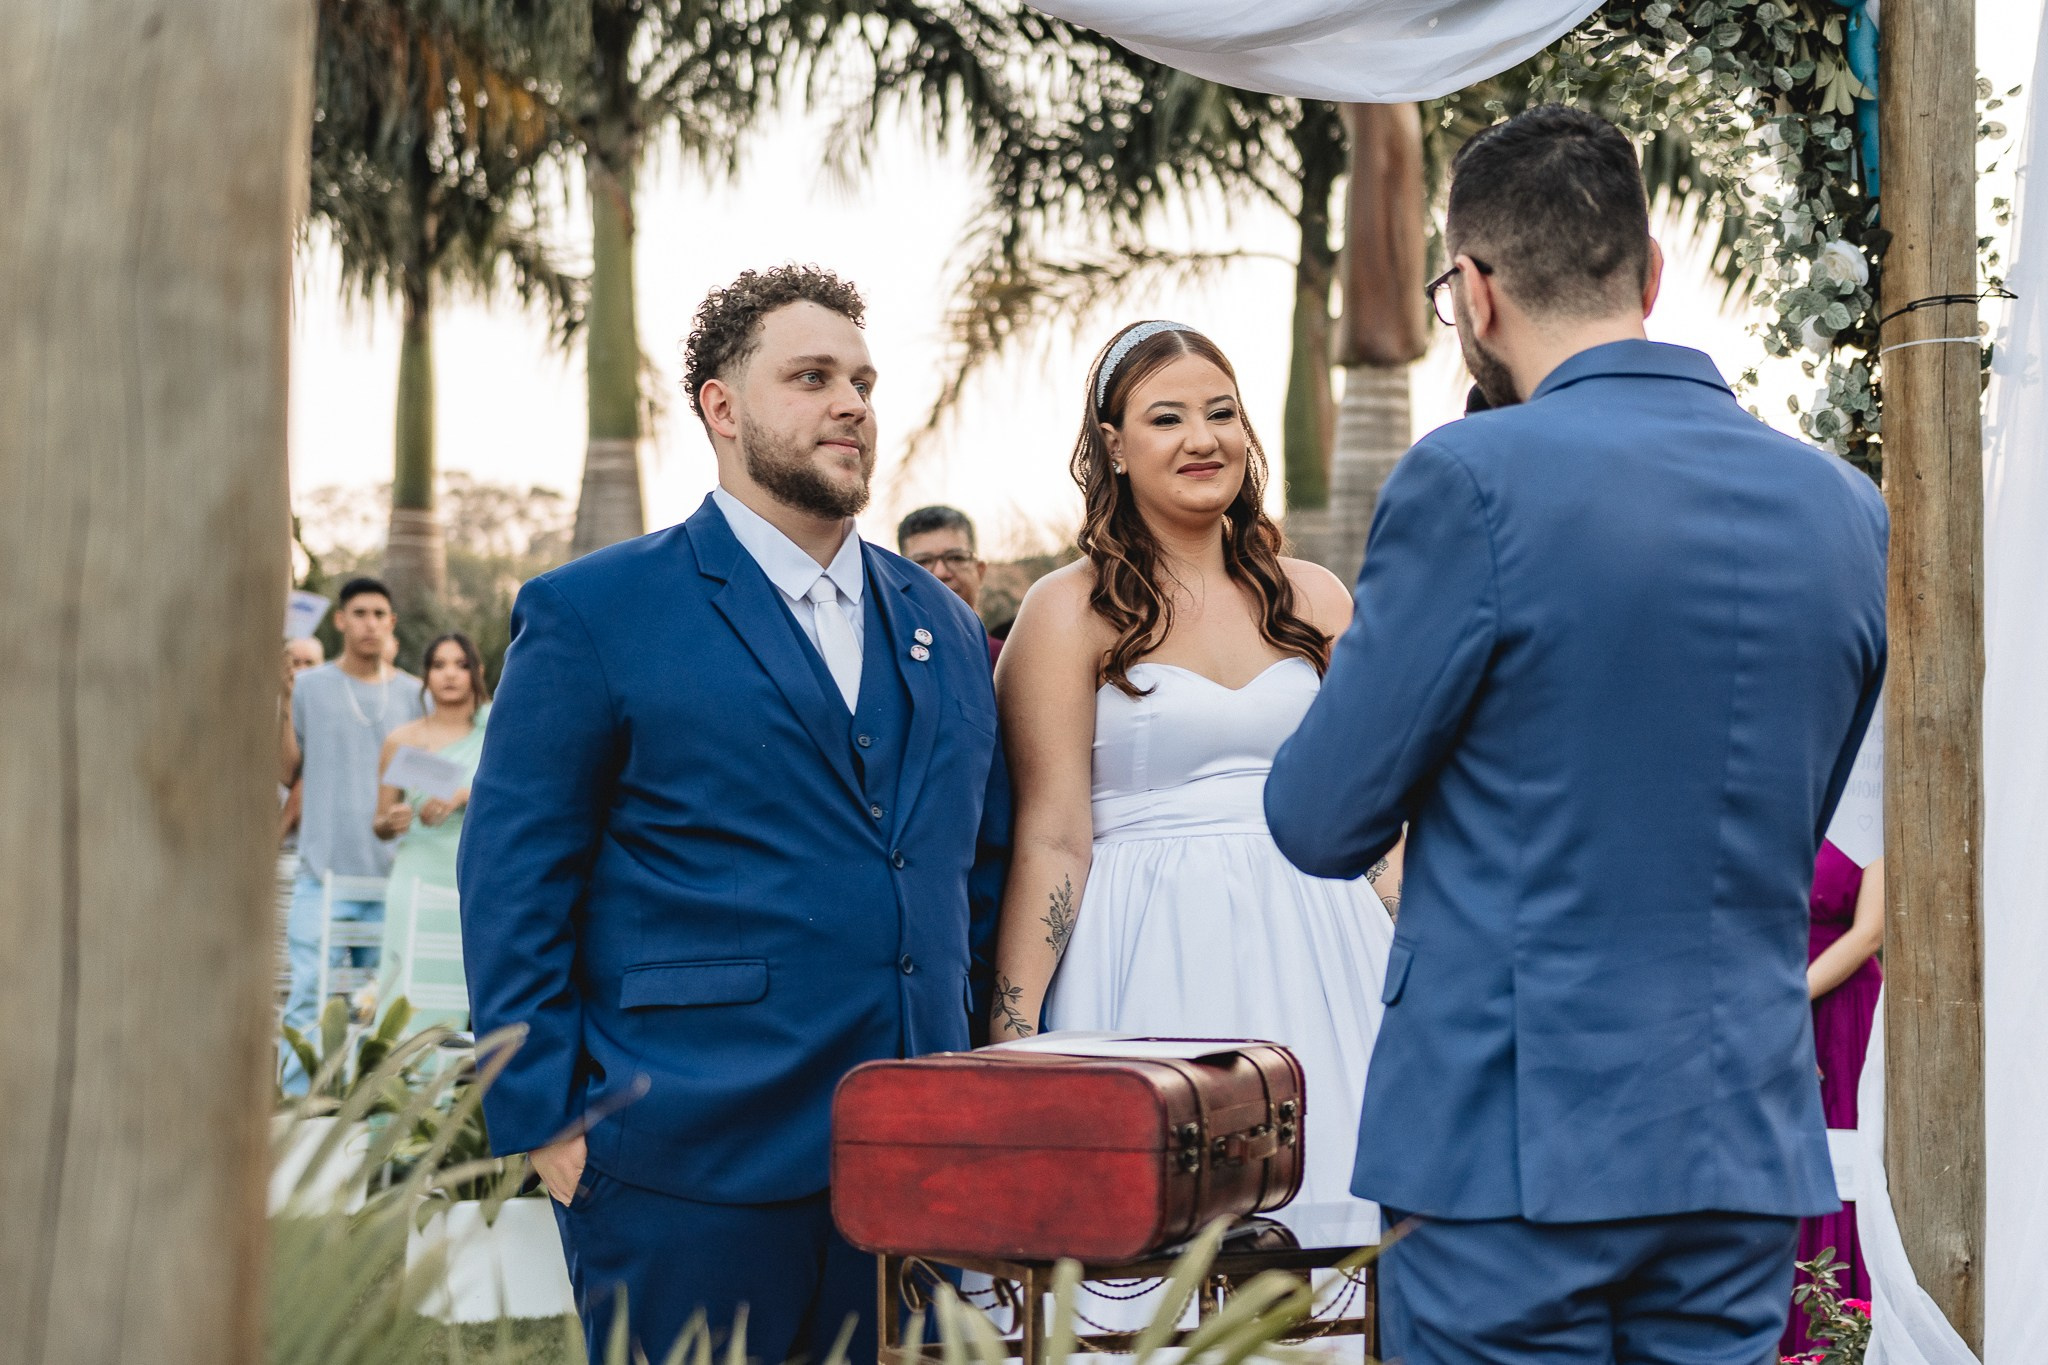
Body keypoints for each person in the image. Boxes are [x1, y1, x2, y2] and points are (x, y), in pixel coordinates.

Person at [1264, 105, 1888, 1365]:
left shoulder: (1469, 478)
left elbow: (1319, 817)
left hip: (1507, 1148)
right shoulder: (1840, 507)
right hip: (1738, 1146)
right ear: (1649, 276)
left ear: (1474, 296)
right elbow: (1800, 799)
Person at [458, 264, 1010, 1365]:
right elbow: (515, 876)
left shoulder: (943, 628)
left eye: (861, 379)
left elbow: (974, 870)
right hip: (679, 1163)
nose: (850, 402)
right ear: (720, 406)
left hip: (917, 1166)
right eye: (811, 377)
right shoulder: (594, 612)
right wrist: (546, 1120)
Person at [989, 319, 1398, 1236]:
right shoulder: (1066, 611)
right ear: (1113, 444)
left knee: (1344, 1227)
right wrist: (1011, 1041)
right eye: (1166, 417)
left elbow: (1376, 822)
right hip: (1143, 952)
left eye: (1221, 413)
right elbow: (1052, 840)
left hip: (1330, 944)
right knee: (1155, 1241)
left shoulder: (1317, 597)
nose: (1202, 438)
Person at [278, 578, 426, 1090]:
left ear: (391, 624)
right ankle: (297, 1109)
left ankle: (370, 1104)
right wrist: (281, 700)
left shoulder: (412, 693)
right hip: (322, 874)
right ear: (340, 621)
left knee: (380, 1005)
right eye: (359, 612)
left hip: (392, 877)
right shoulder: (311, 685)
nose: (370, 623)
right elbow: (285, 771)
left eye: (380, 614)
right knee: (308, 996)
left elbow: (429, 777)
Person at [1784, 846, 1883, 1356]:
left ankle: (1839, 1337)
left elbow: (1870, 932)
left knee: (1841, 1168)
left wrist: (1787, 1003)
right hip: (1770, 1000)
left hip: (1840, 1008)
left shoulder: (1872, 811)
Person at [370, 633, 492, 1032]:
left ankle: (448, 1088)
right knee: (404, 981)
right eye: (439, 665)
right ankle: (397, 1084)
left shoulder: (497, 731)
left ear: (477, 672)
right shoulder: (402, 739)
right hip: (415, 870)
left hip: (471, 874)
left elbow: (527, 791)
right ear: (426, 676)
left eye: (460, 664)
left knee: (459, 983)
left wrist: (462, 795)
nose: (450, 674)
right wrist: (393, 821)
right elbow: (380, 823)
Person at [897, 504, 1001, 667]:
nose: (940, 573)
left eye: (956, 558)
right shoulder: (888, 660)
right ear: (900, 576)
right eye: (922, 562)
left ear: (979, 571)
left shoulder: (1008, 661)